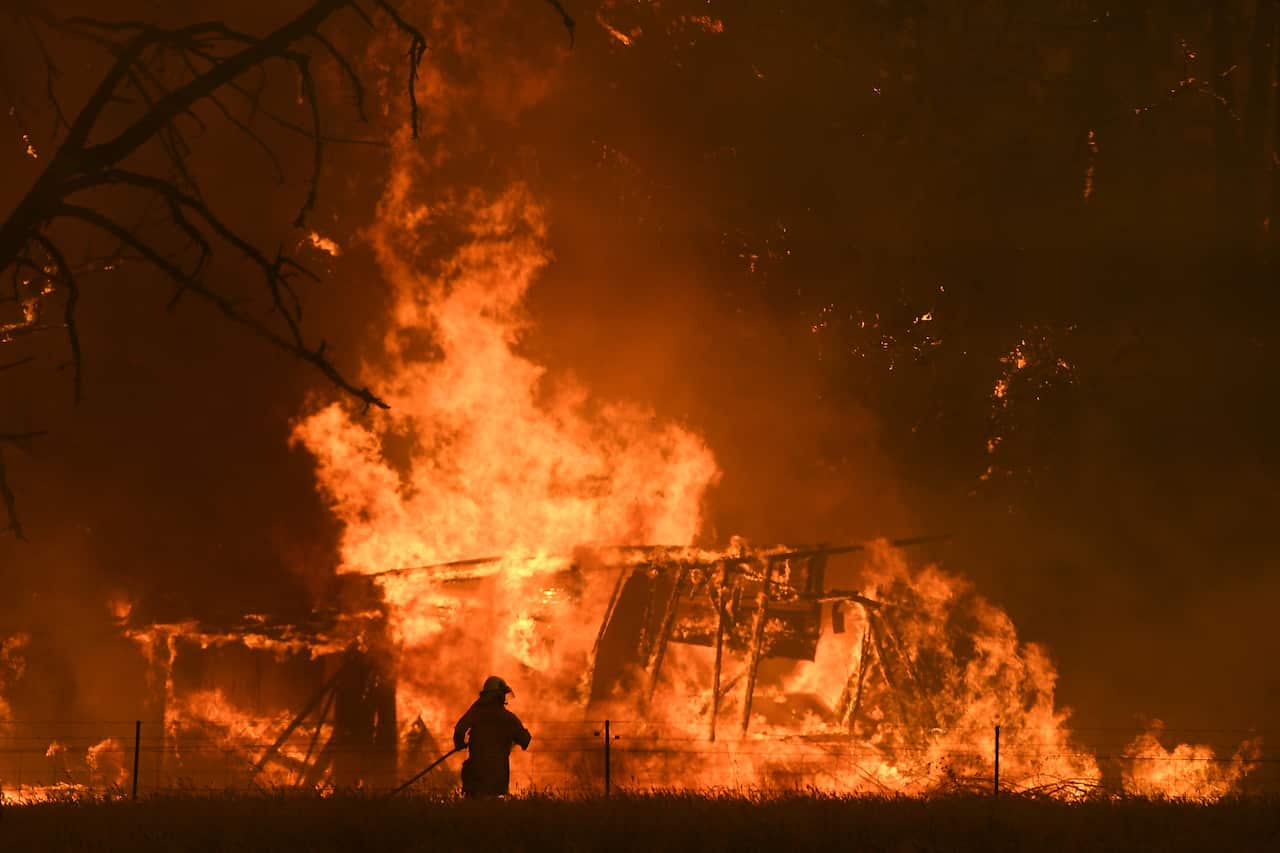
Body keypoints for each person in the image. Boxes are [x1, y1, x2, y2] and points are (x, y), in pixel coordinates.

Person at [452, 675, 532, 796]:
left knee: (473, 810)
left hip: (475, 774)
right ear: (499, 696)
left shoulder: (476, 712)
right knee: (493, 810)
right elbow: (525, 740)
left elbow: (459, 730)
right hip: (497, 777)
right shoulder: (508, 718)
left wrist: (459, 744)